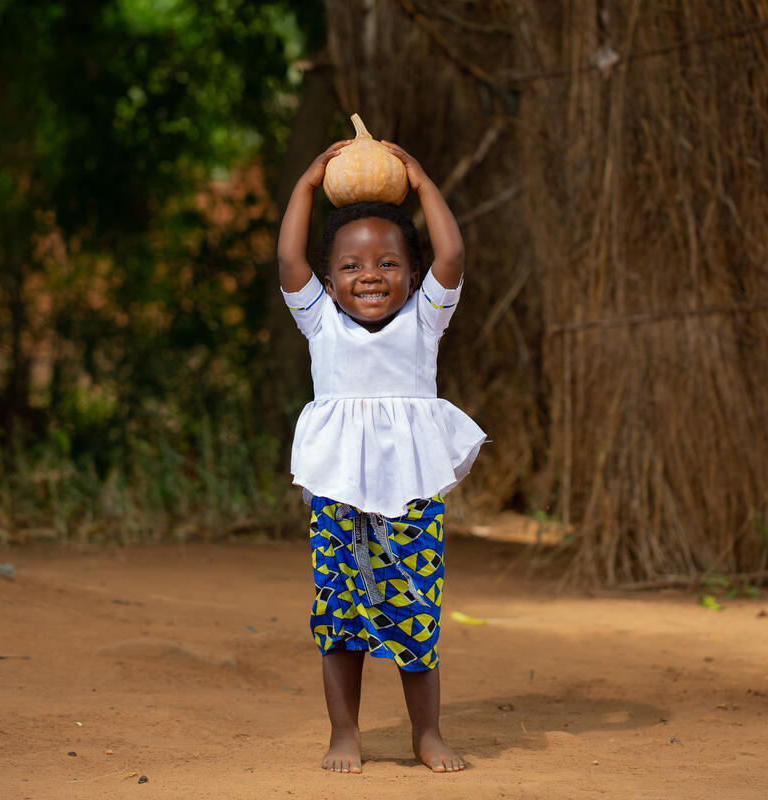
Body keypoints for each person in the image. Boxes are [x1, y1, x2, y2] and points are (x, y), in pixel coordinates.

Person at [276, 135, 486, 774]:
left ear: (412, 275)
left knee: (414, 615)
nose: (370, 274)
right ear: (330, 280)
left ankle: (427, 732)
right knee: (339, 616)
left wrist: (420, 180)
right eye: (351, 266)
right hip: (337, 495)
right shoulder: (321, 324)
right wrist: (308, 183)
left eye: (388, 263)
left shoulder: (425, 321)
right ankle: (345, 733)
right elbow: (288, 256)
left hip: (410, 497)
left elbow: (451, 250)